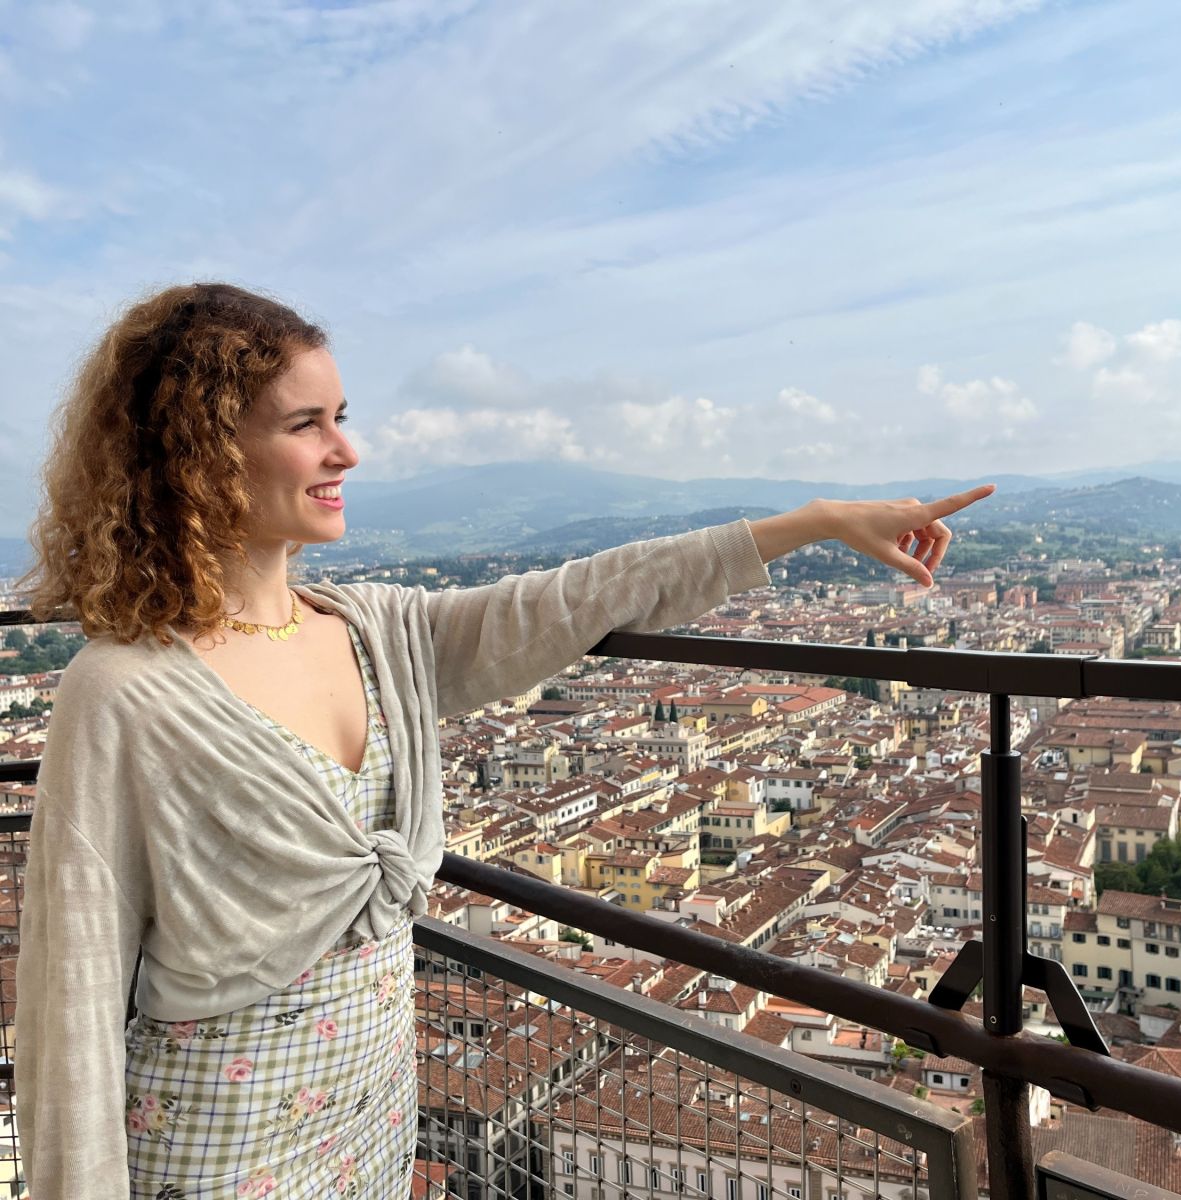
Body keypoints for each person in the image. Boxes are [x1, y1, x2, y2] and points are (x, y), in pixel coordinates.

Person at [11, 281, 994, 1198]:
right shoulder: (123, 692)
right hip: (211, 1148)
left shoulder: (379, 634)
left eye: (340, 418)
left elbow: (567, 602)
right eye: (307, 425)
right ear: (202, 452)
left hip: (374, 1121)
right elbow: (72, 998)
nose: (346, 453)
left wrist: (805, 523)